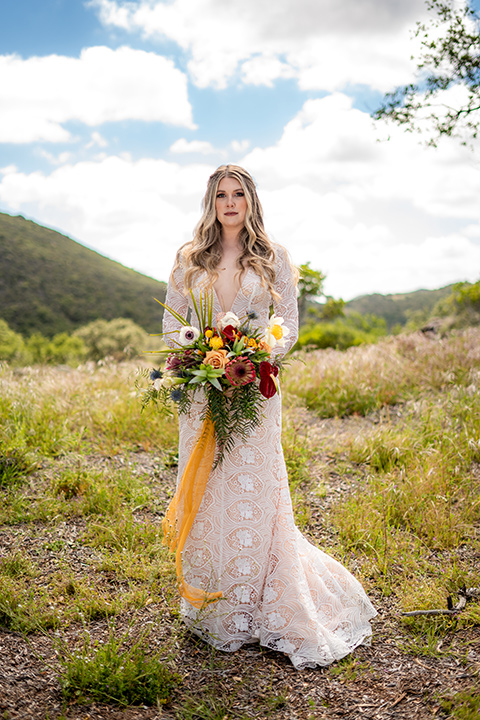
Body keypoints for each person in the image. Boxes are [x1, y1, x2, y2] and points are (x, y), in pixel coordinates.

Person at [162, 164, 376, 670]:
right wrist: (200, 364)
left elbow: (289, 329)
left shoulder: (275, 258)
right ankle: (215, 603)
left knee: (255, 489)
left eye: (238, 194)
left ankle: (261, 599)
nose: (230, 203)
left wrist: (253, 359)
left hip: (255, 390)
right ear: (210, 203)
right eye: (221, 195)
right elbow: (174, 325)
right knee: (210, 489)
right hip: (202, 393)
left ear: (251, 200)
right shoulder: (189, 259)